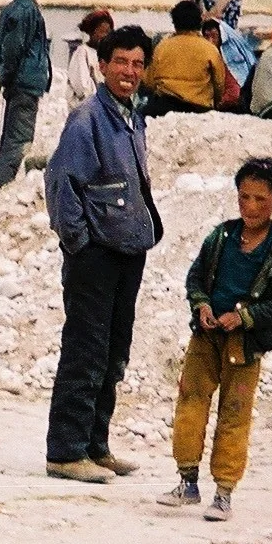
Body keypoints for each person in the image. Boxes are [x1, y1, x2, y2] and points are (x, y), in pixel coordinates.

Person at [44, 26, 163, 483]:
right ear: (102, 65)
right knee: (86, 349)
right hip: (96, 254)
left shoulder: (131, 118)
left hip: (127, 251)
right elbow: (61, 184)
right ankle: (66, 450)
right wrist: (80, 244)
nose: (129, 71)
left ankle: (96, 444)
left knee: (114, 351)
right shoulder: (87, 118)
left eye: (137, 64)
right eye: (121, 62)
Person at [157, 160, 272, 521]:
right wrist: (202, 304)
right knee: (190, 402)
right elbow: (196, 278)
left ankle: (223, 493)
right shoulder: (220, 237)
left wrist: (245, 317)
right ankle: (187, 480)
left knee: (234, 415)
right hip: (207, 337)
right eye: (244, 197)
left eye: (261, 200)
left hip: (244, 346)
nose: (251, 207)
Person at [0, 0, 53, 189]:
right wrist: (7, 73)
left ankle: (2, 179)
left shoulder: (12, 9)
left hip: (17, 81)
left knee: (11, 134)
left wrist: (3, 74)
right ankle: (3, 184)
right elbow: (13, 47)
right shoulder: (28, 11)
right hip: (25, 82)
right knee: (19, 137)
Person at [142, 0, 228, 117]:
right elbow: (219, 85)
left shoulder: (162, 46)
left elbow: (149, 81)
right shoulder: (210, 49)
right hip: (199, 110)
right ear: (199, 22)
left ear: (174, 22)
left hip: (164, 108)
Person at [68, 9, 114, 107]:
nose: (104, 36)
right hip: (86, 110)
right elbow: (82, 88)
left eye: (108, 32)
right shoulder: (82, 53)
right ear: (91, 32)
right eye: (101, 31)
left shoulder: (107, 55)